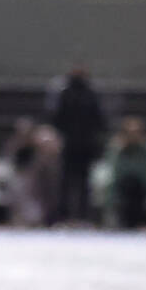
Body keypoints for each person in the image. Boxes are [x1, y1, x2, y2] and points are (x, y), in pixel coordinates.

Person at [46, 66, 105, 224]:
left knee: (84, 181)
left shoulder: (90, 95)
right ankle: (65, 215)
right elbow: (57, 118)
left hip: (84, 145)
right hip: (70, 144)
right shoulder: (66, 94)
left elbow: (98, 119)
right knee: (66, 181)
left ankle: (83, 215)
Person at [108, 115, 146, 229]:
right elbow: (115, 170)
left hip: (142, 186)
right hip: (122, 186)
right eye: (130, 132)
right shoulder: (117, 149)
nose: (133, 135)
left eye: (136, 132)